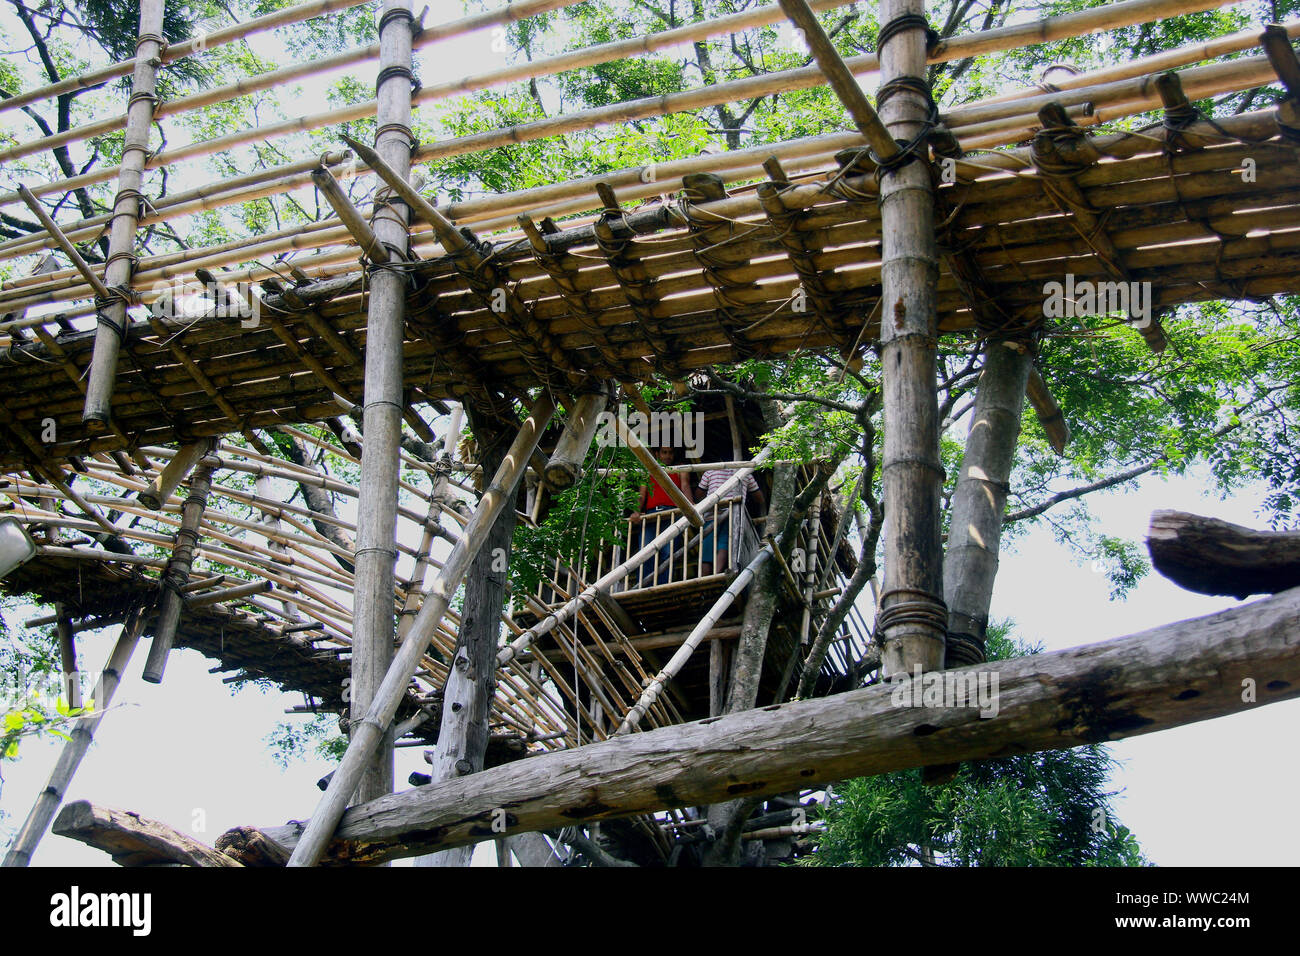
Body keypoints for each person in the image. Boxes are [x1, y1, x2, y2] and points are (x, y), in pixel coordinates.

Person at [628, 445, 694, 585]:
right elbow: (642, 494)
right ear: (657, 454)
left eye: (670, 453)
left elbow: (685, 486)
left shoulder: (680, 467)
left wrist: (691, 506)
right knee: (646, 552)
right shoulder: (648, 470)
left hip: (672, 514)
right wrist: (636, 511)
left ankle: (663, 584)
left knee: (667, 553)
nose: (668, 456)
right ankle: (644, 586)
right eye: (664, 452)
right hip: (651, 515)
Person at [698, 466, 765, 575]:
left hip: (712, 514)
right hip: (733, 515)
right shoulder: (746, 473)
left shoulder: (709, 471)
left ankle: (703, 578)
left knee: (707, 549)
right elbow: (759, 498)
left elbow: (699, 494)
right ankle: (716, 574)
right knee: (724, 544)